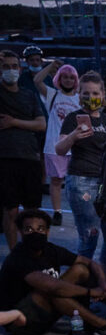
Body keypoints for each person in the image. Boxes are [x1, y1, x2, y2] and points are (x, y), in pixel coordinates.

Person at [0, 209, 106, 335]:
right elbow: (53, 287)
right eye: (28, 229)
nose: (35, 233)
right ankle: (101, 326)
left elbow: (89, 263)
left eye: (40, 229)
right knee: (56, 292)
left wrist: (102, 284)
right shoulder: (18, 258)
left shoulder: (50, 249)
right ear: (20, 232)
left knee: (80, 270)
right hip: (21, 322)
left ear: (47, 231)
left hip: (43, 309)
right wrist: (90, 292)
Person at [54, 72, 106, 286]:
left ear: (103, 95)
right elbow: (60, 150)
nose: (90, 97)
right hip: (82, 183)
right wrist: (74, 135)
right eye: (85, 93)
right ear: (79, 95)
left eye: (95, 92)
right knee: (89, 238)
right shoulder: (73, 118)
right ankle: (81, 288)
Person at [0, 50, 47, 250]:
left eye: (14, 66)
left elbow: (41, 124)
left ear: (20, 69)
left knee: (32, 212)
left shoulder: (29, 95)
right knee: (10, 211)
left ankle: (31, 252)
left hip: (30, 157)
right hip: (5, 159)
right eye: (6, 66)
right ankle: (13, 255)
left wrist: (13, 122)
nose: (11, 70)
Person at [33, 62, 79, 226]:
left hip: (74, 147)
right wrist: (50, 66)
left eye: (71, 77)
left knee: (77, 184)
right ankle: (58, 212)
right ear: (59, 78)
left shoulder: (80, 98)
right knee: (56, 181)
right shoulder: (52, 94)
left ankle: (79, 210)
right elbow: (37, 81)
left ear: (75, 80)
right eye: (64, 77)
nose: (68, 80)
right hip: (54, 145)